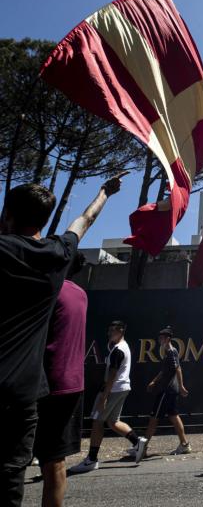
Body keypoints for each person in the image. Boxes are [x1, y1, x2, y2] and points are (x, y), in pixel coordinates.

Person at [0, 175, 125, 507]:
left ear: (7, 215)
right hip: (24, 394)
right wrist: (104, 193)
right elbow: (84, 221)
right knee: (12, 475)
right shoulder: (58, 256)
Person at [33, 252, 87, 507]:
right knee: (56, 462)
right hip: (72, 383)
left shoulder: (48, 291)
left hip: (45, 384)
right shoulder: (80, 294)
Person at [70, 321, 147, 472]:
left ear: (121, 330)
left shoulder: (118, 350)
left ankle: (91, 460)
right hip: (123, 388)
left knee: (98, 422)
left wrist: (104, 397)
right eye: (109, 330)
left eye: (112, 331)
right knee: (113, 421)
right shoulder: (123, 346)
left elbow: (112, 374)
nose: (109, 333)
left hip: (112, 389)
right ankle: (138, 442)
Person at [135, 327, 191, 457]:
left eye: (162, 338)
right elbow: (164, 371)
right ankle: (184, 445)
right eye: (159, 337)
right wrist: (154, 381)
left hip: (167, 390)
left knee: (153, 419)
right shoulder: (168, 352)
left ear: (168, 339)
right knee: (174, 416)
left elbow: (178, 369)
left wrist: (181, 386)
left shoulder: (171, 352)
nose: (160, 340)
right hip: (169, 390)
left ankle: (142, 448)